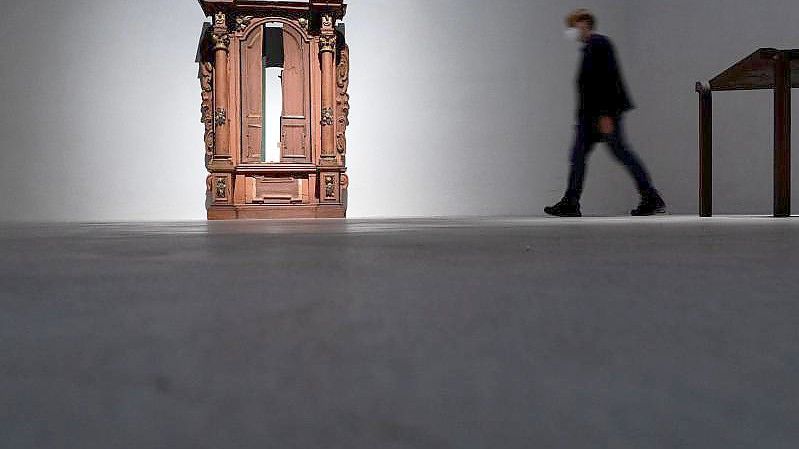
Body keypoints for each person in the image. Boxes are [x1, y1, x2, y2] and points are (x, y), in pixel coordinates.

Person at [545, 9, 665, 217]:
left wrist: (605, 115)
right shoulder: (591, 47)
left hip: (600, 115)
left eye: (573, 25)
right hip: (589, 116)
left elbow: (606, 81)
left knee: (619, 152)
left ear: (584, 23)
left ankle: (650, 197)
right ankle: (571, 202)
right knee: (581, 156)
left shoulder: (599, 44)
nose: (571, 31)